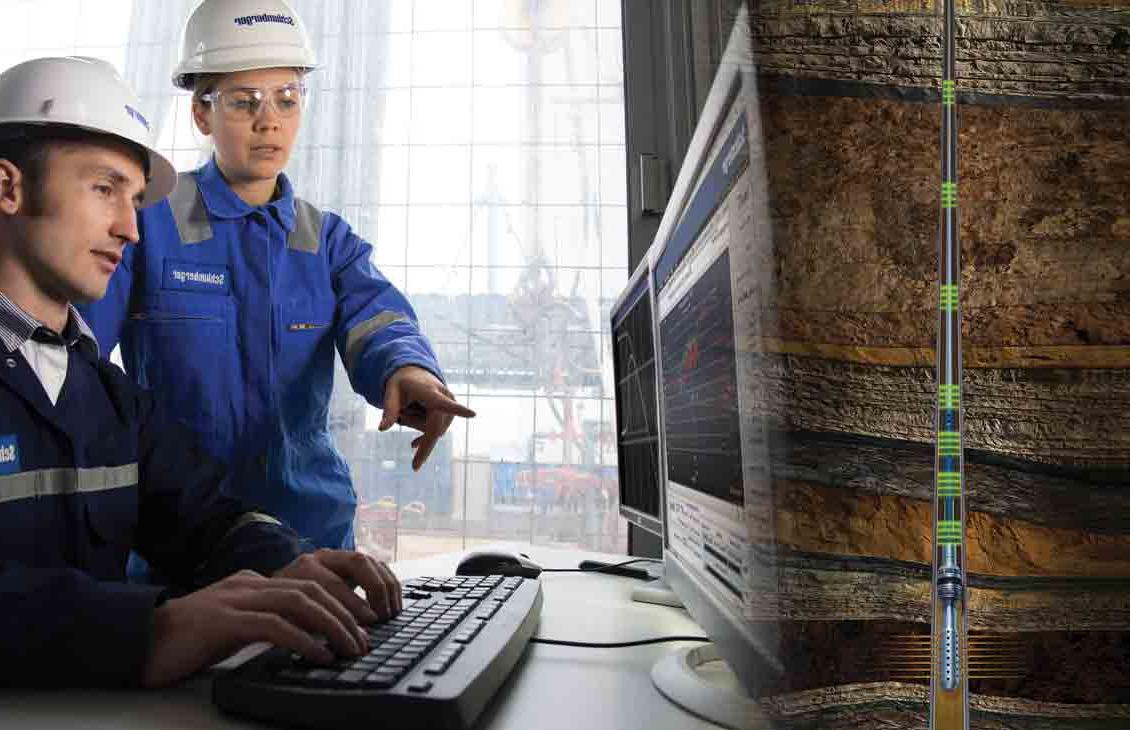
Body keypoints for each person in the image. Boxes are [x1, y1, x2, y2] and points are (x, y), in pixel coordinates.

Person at [0, 55, 400, 689]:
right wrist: (149, 628)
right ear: (8, 188)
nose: (131, 228)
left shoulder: (105, 399)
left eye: (134, 199)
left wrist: (289, 564)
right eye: (105, 188)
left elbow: (201, 513)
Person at [78, 0, 474, 553]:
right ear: (201, 114)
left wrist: (408, 370)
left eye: (287, 100)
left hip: (308, 526)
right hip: (180, 529)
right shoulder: (149, 224)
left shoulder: (326, 241)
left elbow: (379, 320)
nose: (270, 121)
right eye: (245, 102)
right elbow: (76, 352)